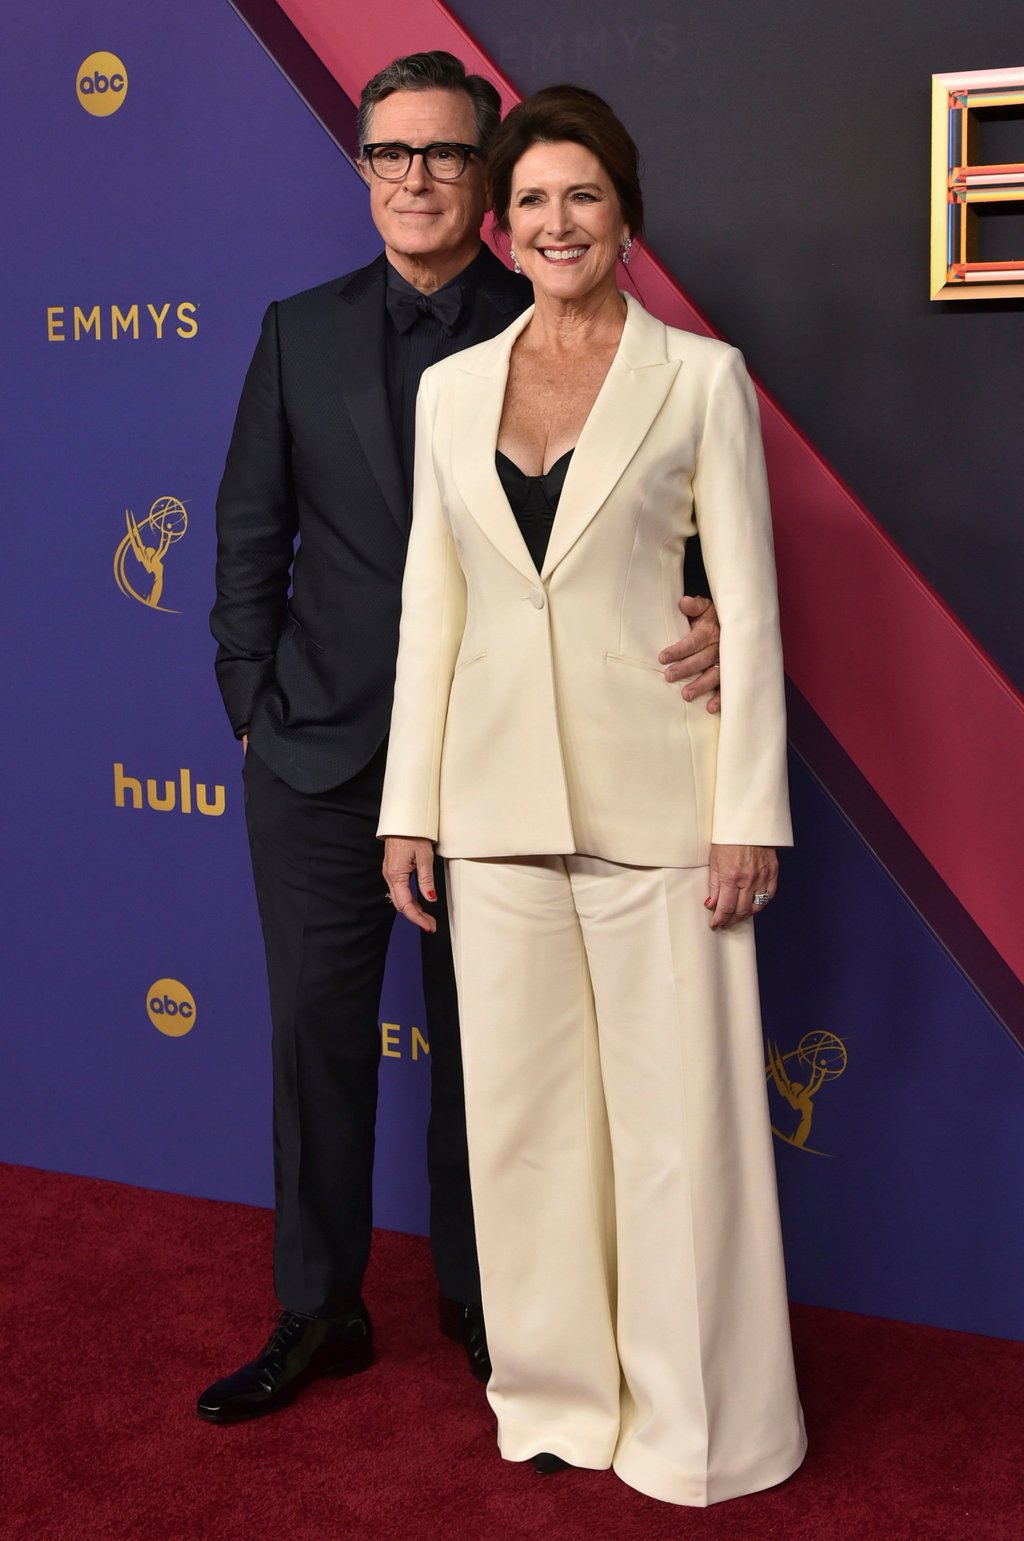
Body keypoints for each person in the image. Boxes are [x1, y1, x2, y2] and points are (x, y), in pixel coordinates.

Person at [201, 54, 723, 1424]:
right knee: (316, 1045)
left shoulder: (555, 317)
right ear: (362, 168)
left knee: (501, 1051)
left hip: (503, 760)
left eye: (442, 154)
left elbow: (677, 517)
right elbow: (250, 537)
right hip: (318, 758)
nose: (415, 178)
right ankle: (319, 1307)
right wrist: (255, 707)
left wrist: (721, 610)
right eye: (390, 153)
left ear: (488, 178)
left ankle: (501, 1312)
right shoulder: (293, 332)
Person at [380, 85, 806, 1506]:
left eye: (586, 196)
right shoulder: (451, 390)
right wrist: (409, 803)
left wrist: (749, 808)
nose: (557, 222)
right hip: (493, 815)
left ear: (626, 214)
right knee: (521, 1124)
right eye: (535, 200)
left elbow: (747, 605)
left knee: (680, 1131)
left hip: (660, 808)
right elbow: (429, 608)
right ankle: (556, 1396)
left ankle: (697, 1426)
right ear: (501, 226)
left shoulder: (701, 378)